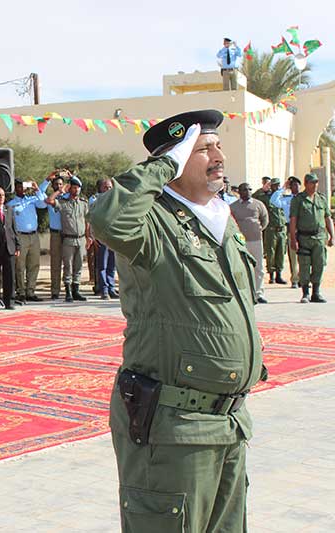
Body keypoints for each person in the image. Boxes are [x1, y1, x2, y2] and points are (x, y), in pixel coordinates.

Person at [90, 110, 263, 533]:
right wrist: (164, 164)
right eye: (203, 148)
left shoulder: (221, 219)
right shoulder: (152, 222)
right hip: (175, 428)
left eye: (217, 145)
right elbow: (108, 219)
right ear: (175, 160)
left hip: (228, 423)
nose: (218, 155)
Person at [46, 176, 92, 302]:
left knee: (78, 266)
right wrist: (60, 191)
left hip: (81, 239)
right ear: (69, 189)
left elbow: (87, 221)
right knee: (68, 266)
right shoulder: (63, 203)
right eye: (74, 188)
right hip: (68, 239)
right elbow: (49, 200)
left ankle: (76, 291)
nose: (76, 190)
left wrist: (88, 237)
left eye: (78, 188)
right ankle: (68, 292)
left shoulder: (83, 203)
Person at [290, 173, 334, 303]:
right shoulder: (298, 200)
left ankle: (316, 292)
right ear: (306, 183)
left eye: (316, 182)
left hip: (319, 237)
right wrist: (293, 239)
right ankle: (305, 293)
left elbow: (328, 218)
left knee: (319, 264)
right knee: (304, 265)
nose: (314, 185)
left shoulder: (321, 199)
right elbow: (293, 220)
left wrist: (332, 235)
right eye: (311, 182)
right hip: (304, 237)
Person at [8, 179, 46, 301]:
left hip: (34, 236)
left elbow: (43, 204)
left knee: (34, 264)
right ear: (15, 188)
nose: (22, 189)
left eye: (23, 186)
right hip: (20, 236)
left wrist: (36, 188)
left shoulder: (32, 199)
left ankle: (31, 291)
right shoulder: (11, 204)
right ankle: (21, 292)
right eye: (19, 187)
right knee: (20, 266)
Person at [230, 183, 269, 303]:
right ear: (240, 192)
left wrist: (258, 229)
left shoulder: (258, 204)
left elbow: (265, 219)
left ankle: (258, 293)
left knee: (258, 267)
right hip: (240, 241)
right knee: (241, 267)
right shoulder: (233, 206)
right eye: (244, 190)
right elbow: (230, 223)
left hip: (256, 240)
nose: (247, 191)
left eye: (249, 189)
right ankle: (244, 293)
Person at [40, 171, 69, 299]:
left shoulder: (68, 197)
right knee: (56, 263)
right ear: (53, 186)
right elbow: (40, 193)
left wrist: (71, 177)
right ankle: (55, 291)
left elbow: (78, 186)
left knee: (69, 263)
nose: (59, 186)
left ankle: (70, 289)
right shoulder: (51, 198)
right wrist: (47, 180)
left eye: (61, 184)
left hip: (68, 234)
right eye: (57, 184)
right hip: (56, 234)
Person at [272, 176, 302, 287]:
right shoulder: (286, 199)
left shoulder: (304, 198)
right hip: (291, 230)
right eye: (293, 185)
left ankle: (303, 279)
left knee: (304, 256)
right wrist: (283, 188)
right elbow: (273, 201)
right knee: (293, 256)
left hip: (304, 229)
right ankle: (295, 279)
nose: (296, 187)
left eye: (297, 184)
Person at [92, 178, 118, 300]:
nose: (108, 189)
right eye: (106, 187)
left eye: (110, 187)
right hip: (101, 237)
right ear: (100, 188)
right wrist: (93, 235)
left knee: (112, 265)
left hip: (113, 236)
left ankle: (111, 288)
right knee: (102, 265)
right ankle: (104, 290)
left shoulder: (115, 200)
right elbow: (91, 219)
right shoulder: (95, 200)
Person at [263, 177, 287, 284]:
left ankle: (279, 275)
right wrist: (263, 189)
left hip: (281, 229)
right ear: (271, 186)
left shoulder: (282, 198)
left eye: (278, 185)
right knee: (270, 252)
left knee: (281, 253)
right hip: (271, 229)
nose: (277, 187)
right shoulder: (266, 197)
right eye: (274, 185)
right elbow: (254, 196)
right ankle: (271, 275)